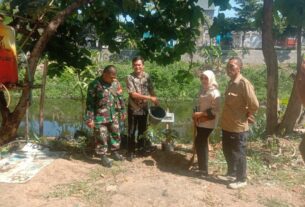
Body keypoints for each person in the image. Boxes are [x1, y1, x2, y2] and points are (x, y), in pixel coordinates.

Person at [219, 57, 259, 189]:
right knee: (227, 150)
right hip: (227, 125)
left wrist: (248, 114)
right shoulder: (231, 83)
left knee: (238, 153)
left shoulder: (243, 83)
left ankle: (241, 179)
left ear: (239, 67)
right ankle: (232, 173)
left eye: (232, 66)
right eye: (228, 66)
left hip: (238, 127)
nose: (229, 69)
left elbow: (254, 104)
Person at [85, 65, 126, 167]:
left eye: (114, 76)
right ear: (104, 74)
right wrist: (90, 119)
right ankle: (103, 156)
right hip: (100, 116)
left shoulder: (115, 83)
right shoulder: (95, 85)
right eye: (111, 77)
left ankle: (114, 152)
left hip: (113, 114)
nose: (113, 79)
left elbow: (120, 98)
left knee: (115, 134)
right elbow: (90, 103)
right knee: (101, 136)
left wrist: (123, 111)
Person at [126, 56, 158, 161]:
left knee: (142, 129)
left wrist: (155, 100)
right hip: (133, 108)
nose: (137, 67)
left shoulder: (147, 76)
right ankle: (130, 151)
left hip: (144, 108)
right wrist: (149, 97)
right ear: (132, 65)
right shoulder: (129, 77)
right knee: (131, 130)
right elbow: (133, 94)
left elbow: (151, 89)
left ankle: (141, 148)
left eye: (139, 65)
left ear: (143, 66)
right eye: (135, 65)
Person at [192, 70, 221, 177]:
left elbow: (215, 111)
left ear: (211, 79)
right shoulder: (204, 90)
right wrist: (196, 114)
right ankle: (202, 166)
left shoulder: (215, 93)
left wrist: (200, 114)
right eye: (202, 78)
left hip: (209, 121)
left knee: (200, 141)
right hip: (200, 120)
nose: (204, 80)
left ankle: (203, 169)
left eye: (206, 78)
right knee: (201, 142)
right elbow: (199, 103)